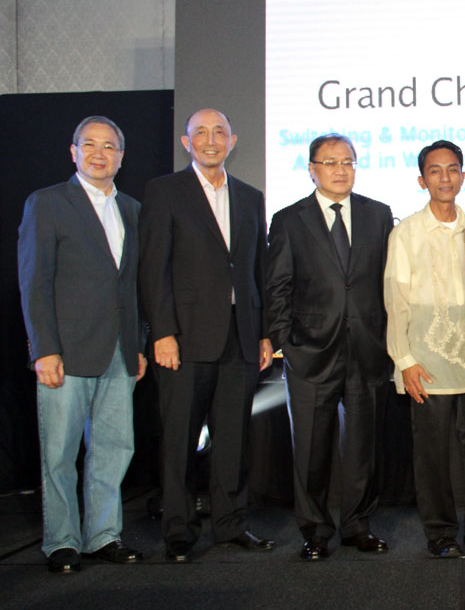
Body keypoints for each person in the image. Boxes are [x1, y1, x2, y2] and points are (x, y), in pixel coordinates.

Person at [139, 108, 274, 562]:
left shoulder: (250, 196)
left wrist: (263, 334)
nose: (211, 140)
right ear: (186, 142)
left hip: (241, 337)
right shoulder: (164, 192)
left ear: (233, 141)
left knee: (233, 440)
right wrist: (162, 332)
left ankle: (230, 524)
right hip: (185, 340)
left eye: (219, 132)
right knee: (179, 440)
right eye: (201, 133)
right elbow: (153, 267)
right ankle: (178, 531)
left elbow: (258, 269)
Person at [18, 116, 146, 574]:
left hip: (119, 351)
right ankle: (61, 542)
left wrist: (138, 345)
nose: (99, 153)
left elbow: (131, 287)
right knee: (60, 452)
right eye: (89, 145)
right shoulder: (48, 203)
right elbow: (34, 282)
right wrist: (42, 349)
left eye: (109, 146)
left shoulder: (132, 208)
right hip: (65, 351)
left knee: (114, 449)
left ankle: (102, 536)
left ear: (121, 156)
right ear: (73, 152)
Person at [265, 133, 394, 560]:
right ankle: (315, 531)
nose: (341, 170)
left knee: (363, 447)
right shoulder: (288, 220)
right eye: (330, 162)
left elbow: (387, 283)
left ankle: (358, 525)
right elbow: (278, 286)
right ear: (312, 169)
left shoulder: (378, 215)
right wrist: (287, 342)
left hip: (367, 350)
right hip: (310, 352)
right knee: (311, 449)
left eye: (348, 162)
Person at [384, 140, 465, 559]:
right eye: (435, 171)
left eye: (452, 169)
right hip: (427, 358)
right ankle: (440, 534)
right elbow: (395, 300)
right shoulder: (405, 232)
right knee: (432, 456)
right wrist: (405, 361)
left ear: (463, 176)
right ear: (422, 180)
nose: (444, 178)